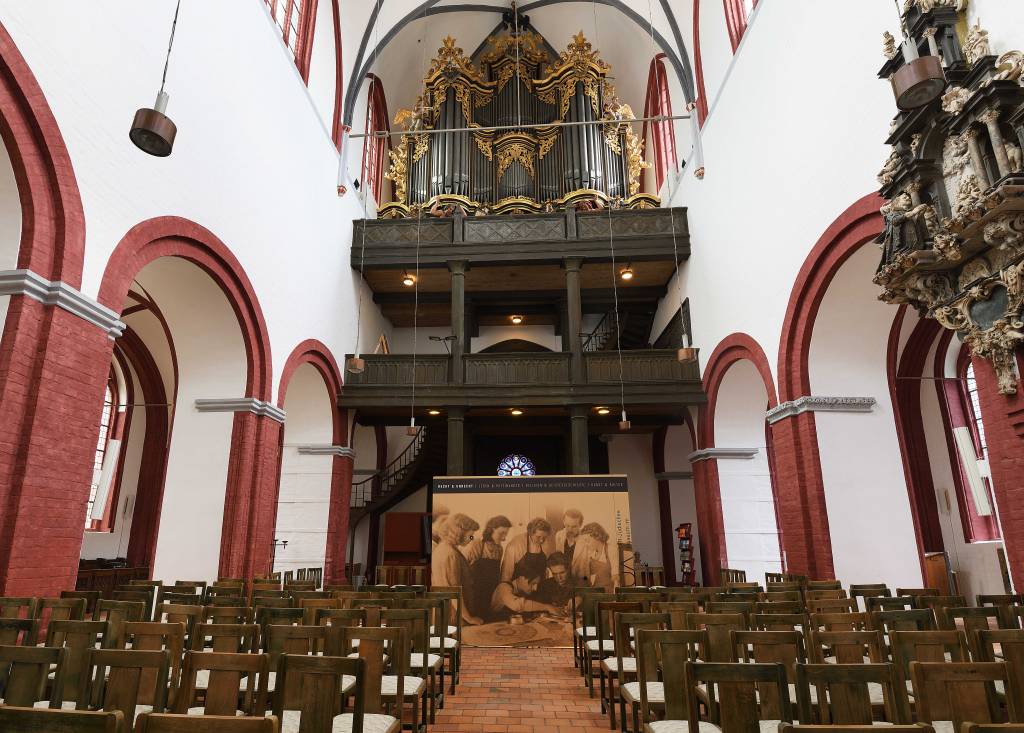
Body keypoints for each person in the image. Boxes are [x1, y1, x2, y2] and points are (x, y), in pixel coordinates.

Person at [430, 513, 484, 625]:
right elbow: (454, 592)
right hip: (453, 614)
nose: (471, 539)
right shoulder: (450, 554)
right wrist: (469, 618)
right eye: (470, 535)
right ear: (459, 533)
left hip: (446, 610)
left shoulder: (444, 548)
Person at [464, 515, 512, 618]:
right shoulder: (476, 544)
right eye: (501, 533)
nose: (504, 538)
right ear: (492, 529)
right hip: (475, 594)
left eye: (506, 534)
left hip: (491, 594)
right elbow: (463, 569)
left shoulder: (499, 549)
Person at [490, 569, 565, 621]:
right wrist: (547, 607)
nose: (535, 588)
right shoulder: (503, 588)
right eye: (533, 584)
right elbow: (517, 605)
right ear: (521, 578)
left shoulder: (524, 592)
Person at [499, 518, 552, 583]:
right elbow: (506, 575)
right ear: (530, 533)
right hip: (517, 590)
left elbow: (546, 570)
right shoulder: (515, 544)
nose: (541, 540)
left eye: (544, 537)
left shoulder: (546, 543)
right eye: (538, 537)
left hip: (539, 587)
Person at [571, 522, 614, 589]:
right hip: (595, 591)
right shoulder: (591, 553)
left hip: (608, 593)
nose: (586, 544)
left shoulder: (611, 549)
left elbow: (616, 578)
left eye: (587, 541)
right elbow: (586, 577)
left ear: (597, 537)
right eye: (584, 541)